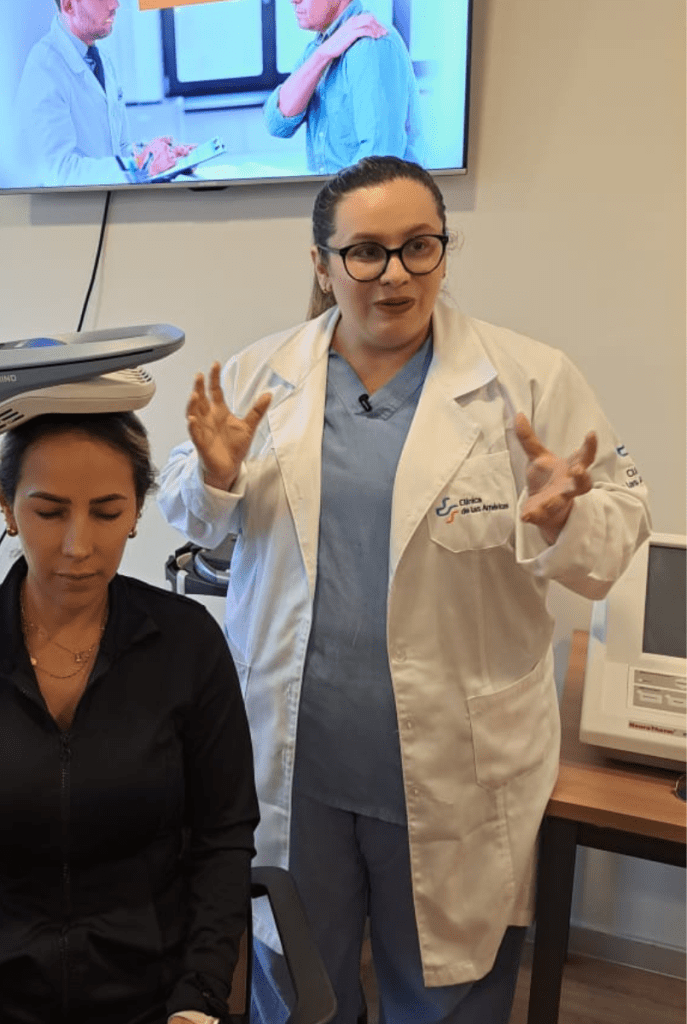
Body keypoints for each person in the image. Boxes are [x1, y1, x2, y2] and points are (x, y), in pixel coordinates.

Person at [157, 156, 650, 1023]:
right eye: (366, 252)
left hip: (459, 759)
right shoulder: (260, 376)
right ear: (322, 265)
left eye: (420, 246)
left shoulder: (528, 380)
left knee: (446, 989)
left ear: (444, 251)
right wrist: (216, 477)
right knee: (298, 978)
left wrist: (562, 518)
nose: (395, 274)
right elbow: (185, 510)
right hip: (299, 757)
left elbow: (621, 523)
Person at [0, 411, 259, 1024]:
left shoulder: (187, 645)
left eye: (106, 513)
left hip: (154, 1001)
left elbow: (224, 839)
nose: (78, 546)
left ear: (136, 512)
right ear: (6, 505)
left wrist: (200, 996)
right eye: (49, 513)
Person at [14, 0, 195, 187]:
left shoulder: (101, 59)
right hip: (77, 204)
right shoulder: (44, 67)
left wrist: (157, 156)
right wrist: (143, 166)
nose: (115, 5)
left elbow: (118, 149)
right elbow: (58, 172)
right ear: (69, 6)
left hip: (109, 198)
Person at [264, 1, 425, 174]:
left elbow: (380, 160)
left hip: (370, 191)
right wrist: (323, 55)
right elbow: (276, 124)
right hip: (341, 189)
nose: (293, 0)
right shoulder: (321, 47)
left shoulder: (371, 43)